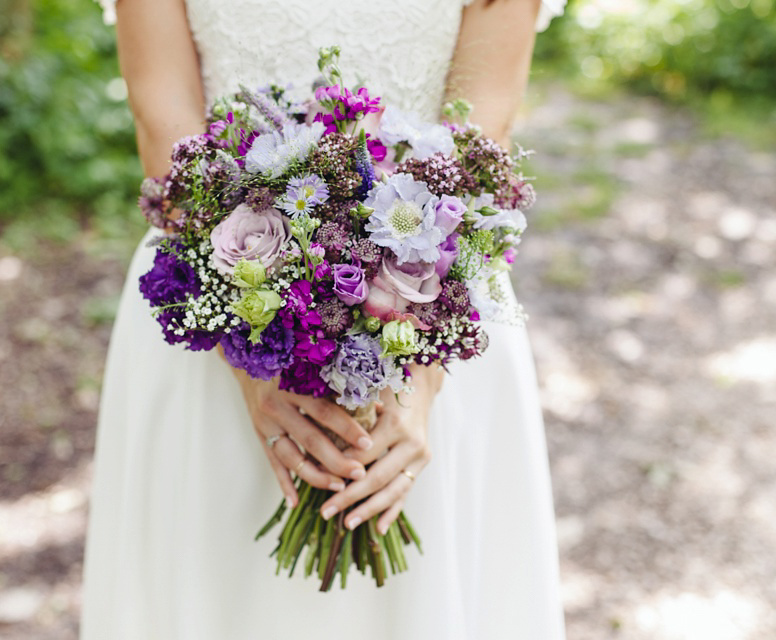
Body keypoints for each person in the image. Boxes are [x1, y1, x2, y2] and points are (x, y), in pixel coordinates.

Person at [80, 1, 567, 638]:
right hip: (214, 293)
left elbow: (481, 132)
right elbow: (164, 130)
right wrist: (250, 350)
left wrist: (422, 367)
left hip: (434, 297)